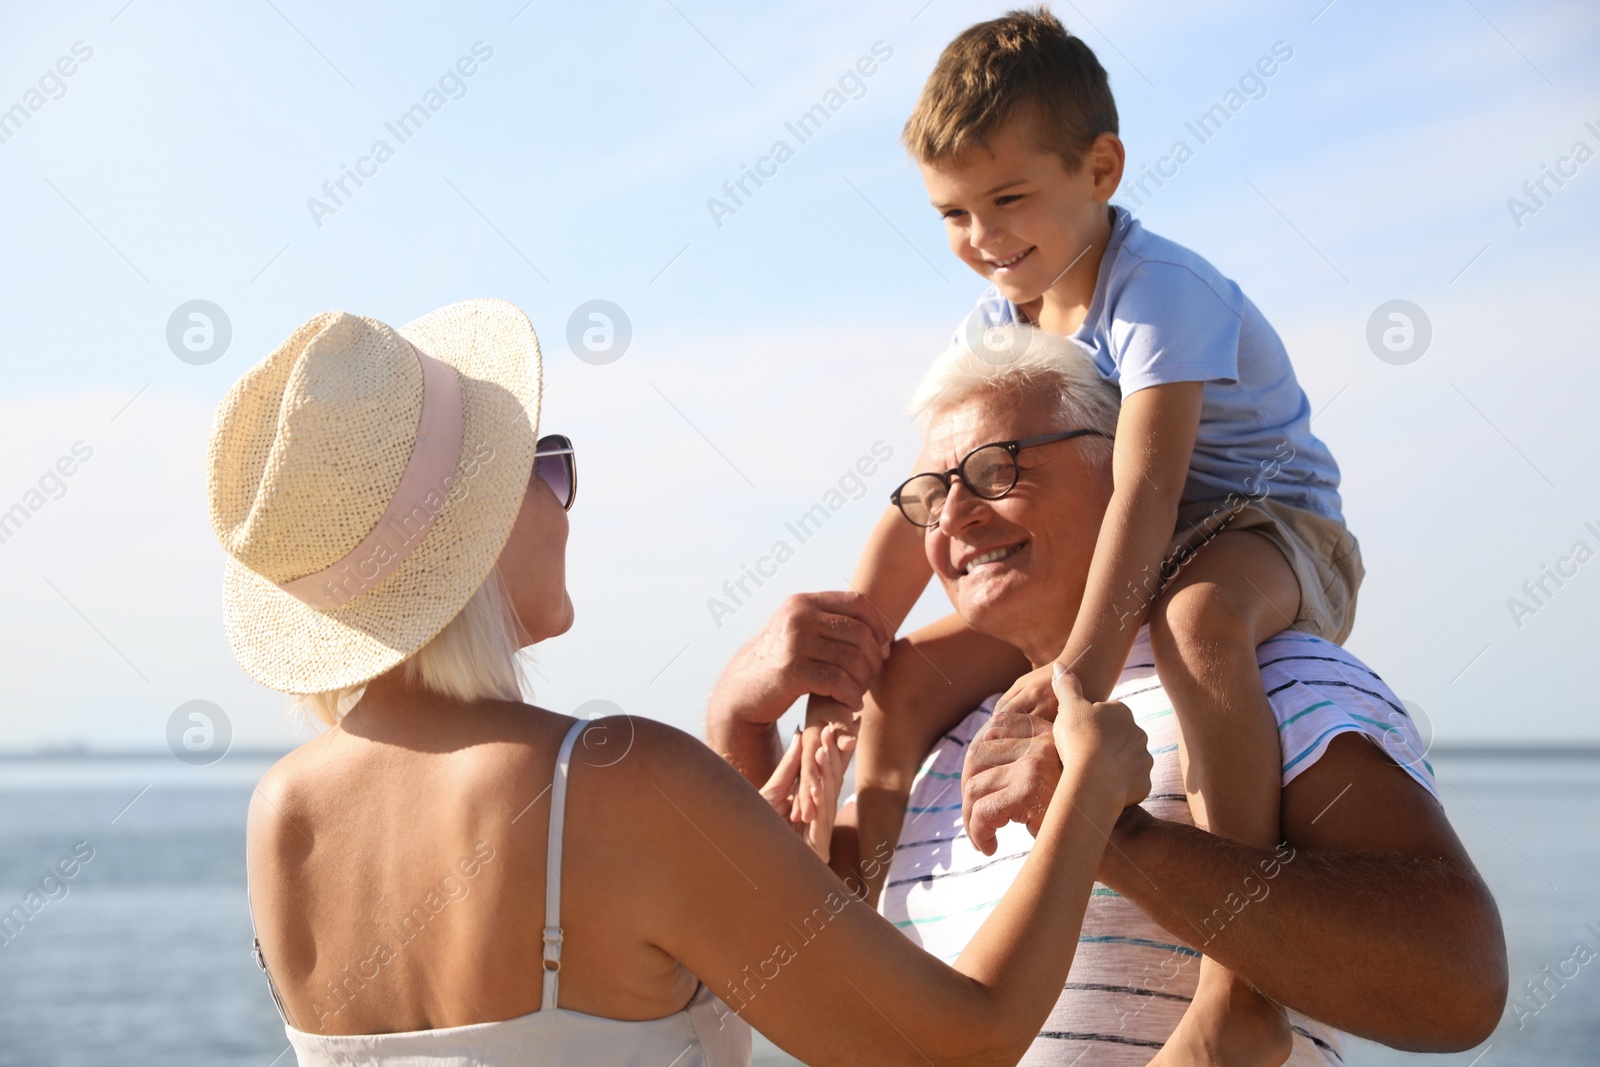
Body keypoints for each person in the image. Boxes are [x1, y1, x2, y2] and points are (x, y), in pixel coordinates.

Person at [213, 299, 1152, 1067]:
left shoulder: (280, 815)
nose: (562, 497)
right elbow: (961, 1041)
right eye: (545, 465)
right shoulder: (617, 778)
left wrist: (745, 841)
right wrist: (1091, 787)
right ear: (480, 528)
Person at [798, 11, 1362, 1061]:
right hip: (1115, 538)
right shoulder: (998, 320)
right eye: (953, 213)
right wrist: (842, 660)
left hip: (1259, 522)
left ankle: (1238, 991)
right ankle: (869, 941)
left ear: (1099, 168)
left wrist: (1072, 681)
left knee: (1197, 626)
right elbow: (919, 496)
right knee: (904, 681)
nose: (982, 237)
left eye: (1008, 198)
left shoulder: (1159, 290)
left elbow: (1149, 487)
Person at [720, 327, 1508, 1065]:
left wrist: (1112, 830)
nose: (955, 514)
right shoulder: (941, 746)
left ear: (1122, 471)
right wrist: (741, 716)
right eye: (932, 492)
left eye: (996, 468)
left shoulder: (1261, 675)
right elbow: (759, 941)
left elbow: (1458, 980)